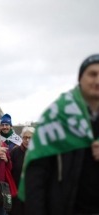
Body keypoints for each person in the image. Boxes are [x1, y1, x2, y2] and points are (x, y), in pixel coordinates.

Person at [18, 54, 99, 215]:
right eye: (92, 74)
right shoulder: (56, 116)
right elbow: (37, 173)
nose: (97, 81)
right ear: (80, 78)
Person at [9, 126, 35, 215]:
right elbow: (9, 171)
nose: (27, 140)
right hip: (17, 194)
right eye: (25, 137)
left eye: (30, 138)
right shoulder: (14, 152)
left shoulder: (39, 153)